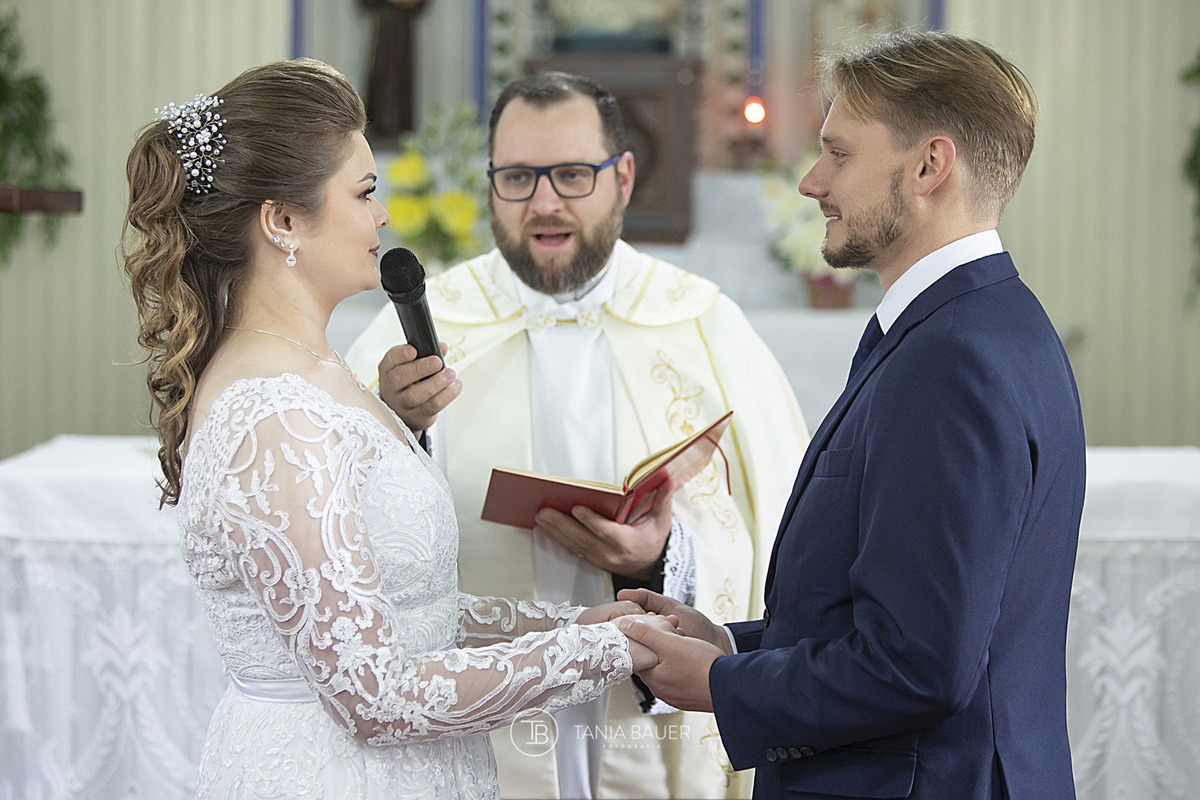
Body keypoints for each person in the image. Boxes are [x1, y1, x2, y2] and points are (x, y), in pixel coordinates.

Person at [120, 58, 676, 800]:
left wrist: (573, 621)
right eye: (365, 191)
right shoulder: (277, 411)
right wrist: (603, 651)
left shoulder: (316, 371)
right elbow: (374, 697)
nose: (382, 215)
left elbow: (410, 614)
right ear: (283, 220)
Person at [618, 30, 1086, 800]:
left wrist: (725, 688)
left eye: (838, 153)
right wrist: (729, 648)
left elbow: (920, 666)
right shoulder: (988, 320)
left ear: (930, 165)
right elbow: (905, 612)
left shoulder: (951, 359)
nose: (811, 181)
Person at [345, 72, 809, 798]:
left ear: (622, 178)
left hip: (645, 723)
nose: (544, 203)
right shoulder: (416, 333)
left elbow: (775, 543)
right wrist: (397, 423)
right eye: (518, 178)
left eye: (570, 174)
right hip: (485, 724)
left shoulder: (706, 329)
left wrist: (658, 560)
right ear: (490, 183)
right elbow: (343, 532)